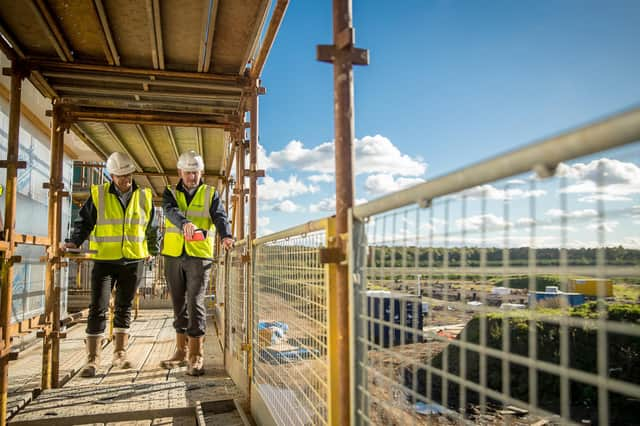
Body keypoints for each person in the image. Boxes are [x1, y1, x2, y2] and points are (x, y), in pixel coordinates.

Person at [64, 152, 159, 377]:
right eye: (120, 176)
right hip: (105, 260)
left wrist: (152, 251)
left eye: (127, 175)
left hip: (134, 260)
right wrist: (74, 241)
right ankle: (92, 359)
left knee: (124, 307)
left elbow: (151, 228)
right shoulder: (99, 195)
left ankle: (119, 354)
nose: (125, 180)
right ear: (112, 176)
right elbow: (84, 222)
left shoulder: (144, 196)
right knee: (98, 306)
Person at [160, 150, 233, 376]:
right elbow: (170, 211)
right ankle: (180, 351)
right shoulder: (170, 192)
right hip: (173, 255)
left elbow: (220, 216)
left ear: (201, 172)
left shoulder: (210, 194)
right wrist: (185, 223)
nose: (192, 177)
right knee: (178, 304)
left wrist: (226, 235)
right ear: (180, 172)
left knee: (195, 302)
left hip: (199, 256)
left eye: (196, 172)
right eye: (188, 173)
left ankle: (196, 355)